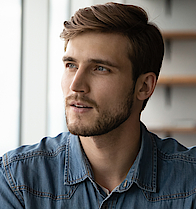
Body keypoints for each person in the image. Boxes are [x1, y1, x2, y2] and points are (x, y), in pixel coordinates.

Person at [0, 2, 196, 208]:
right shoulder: (18, 181)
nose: (76, 85)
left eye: (100, 68)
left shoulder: (190, 182)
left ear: (144, 86)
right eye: (71, 65)